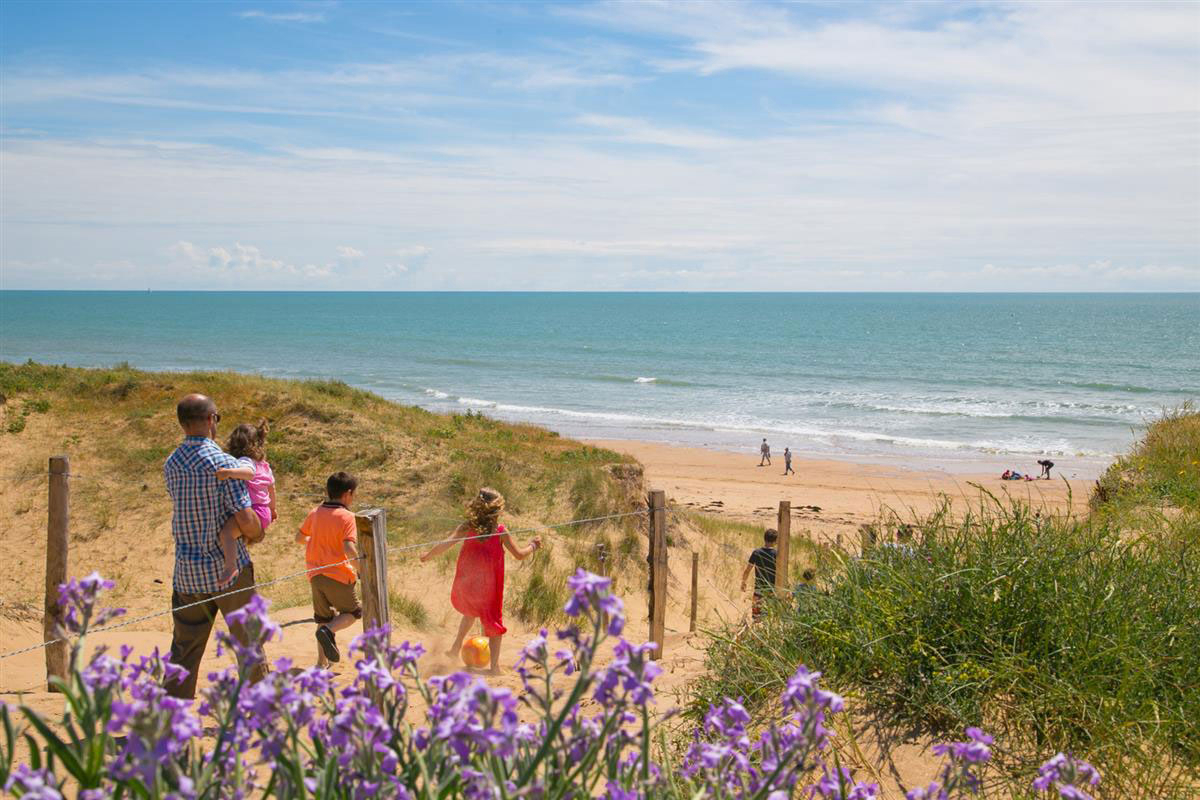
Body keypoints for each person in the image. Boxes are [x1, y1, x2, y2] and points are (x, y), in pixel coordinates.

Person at [163, 393, 268, 699]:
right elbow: (245, 517)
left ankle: (171, 713)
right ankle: (261, 710)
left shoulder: (171, 463)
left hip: (187, 572)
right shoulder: (223, 463)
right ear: (211, 420)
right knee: (248, 644)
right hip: (228, 570)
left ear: (182, 423)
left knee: (184, 649)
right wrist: (258, 532)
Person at [420, 488, 541, 675]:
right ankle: (494, 668)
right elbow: (519, 554)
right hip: (489, 587)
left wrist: (428, 555)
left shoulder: (467, 527)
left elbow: (446, 544)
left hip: (468, 583)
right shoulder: (500, 531)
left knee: (470, 612)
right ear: (496, 511)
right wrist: (533, 545)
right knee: (493, 624)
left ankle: (455, 649)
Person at [296, 471, 361, 666]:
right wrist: (362, 569)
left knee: (322, 618)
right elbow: (348, 548)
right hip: (338, 575)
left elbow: (299, 538)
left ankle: (321, 663)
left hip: (315, 575)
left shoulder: (315, 512)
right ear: (348, 494)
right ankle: (329, 631)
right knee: (353, 613)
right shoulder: (347, 517)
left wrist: (315, 541)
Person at [214, 420, 276, 588]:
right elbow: (271, 489)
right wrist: (273, 510)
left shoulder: (245, 461)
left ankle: (230, 566)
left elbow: (248, 473)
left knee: (226, 534)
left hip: (252, 511)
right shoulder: (265, 466)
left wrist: (229, 472)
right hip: (264, 511)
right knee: (238, 537)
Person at [740, 528, 777, 621]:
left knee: (756, 617)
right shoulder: (776, 554)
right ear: (775, 541)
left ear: (764, 538)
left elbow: (747, 570)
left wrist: (743, 582)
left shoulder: (756, 552)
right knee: (769, 618)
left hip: (759, 588)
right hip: (771, 589)